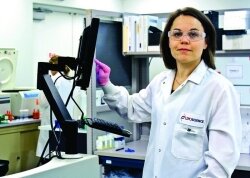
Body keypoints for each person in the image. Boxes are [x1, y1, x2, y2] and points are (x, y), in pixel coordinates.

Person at [95, 7, 242, 178]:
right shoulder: (161, 82)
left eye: (193, 34)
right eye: (177, 34)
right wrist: (106, 83)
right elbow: (132, 108)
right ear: (169, 40)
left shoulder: (219, 89)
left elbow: (221, 164)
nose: (184, 40)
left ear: (206, 42)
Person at [36, 55, 83, 162]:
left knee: (48, 155)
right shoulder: (69, 81)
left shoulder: (51, 81)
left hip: (51, 124)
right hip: (66, 125)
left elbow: (43, 102)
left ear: (52, 66)